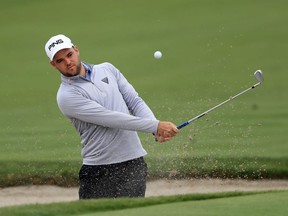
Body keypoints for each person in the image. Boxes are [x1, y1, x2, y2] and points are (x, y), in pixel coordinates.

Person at [44, 34, 179, 199]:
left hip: (134, 162)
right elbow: (110, 118)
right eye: (59, 60)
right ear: (53, 64)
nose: (67, 62)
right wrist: (155, 125)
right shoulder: (66, 96)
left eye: (69, 55)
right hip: (99, 170)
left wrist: (155, 129)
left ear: (76, 50)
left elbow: (134, 101)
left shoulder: (107, 69)